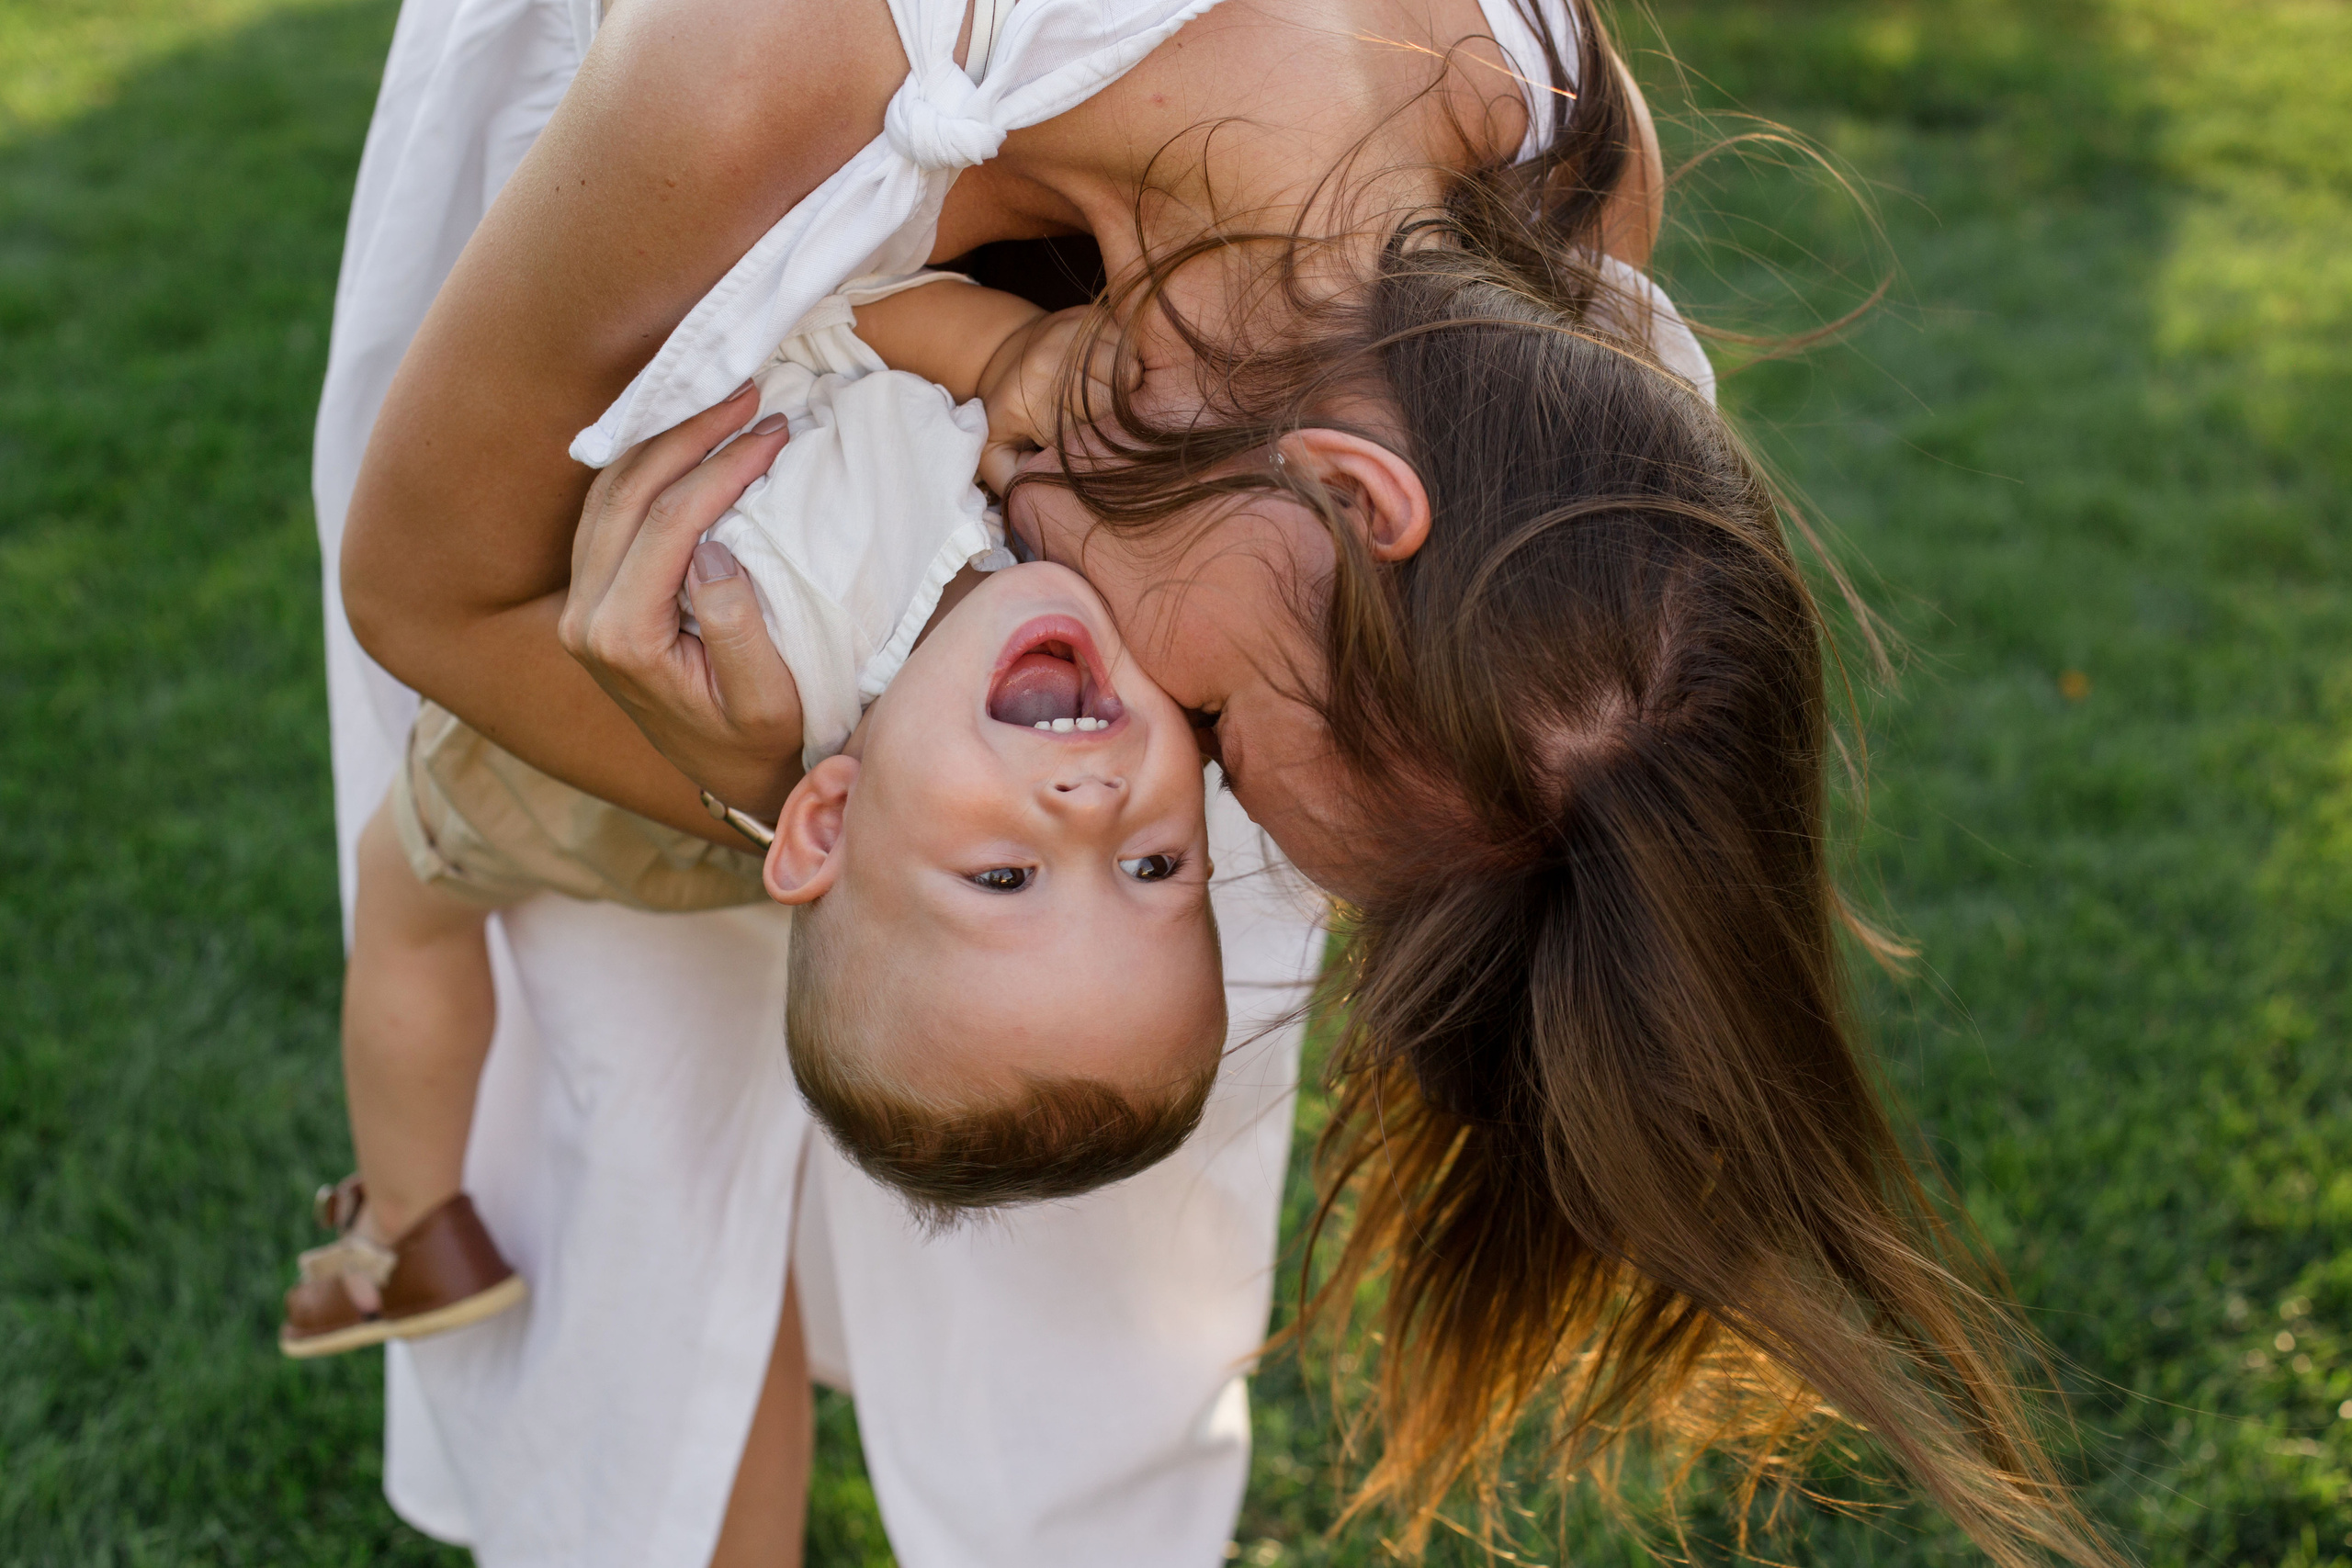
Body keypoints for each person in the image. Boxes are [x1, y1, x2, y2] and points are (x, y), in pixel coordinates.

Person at [322, 3, 2111, 1567]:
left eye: (1230, 833)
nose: (1144, 775)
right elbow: (424, 586)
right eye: (1223, 731)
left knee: (1093, 1242)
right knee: (641, 1137)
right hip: (639, 243)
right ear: (1347, 493)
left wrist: (818, 781)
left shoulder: (1545, 250)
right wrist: (777, 773)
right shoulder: (767, 60)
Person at [287, 272, 1226, 1359]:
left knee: (408, 895)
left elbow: (767, 320)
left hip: (563, 783)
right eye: (1153, 867)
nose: (1091, 805)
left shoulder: (792, 568)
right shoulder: (1118, 630)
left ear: (827, 828)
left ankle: (403, 1229)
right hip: (740, 828)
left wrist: (994, 352)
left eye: (1008, 879)